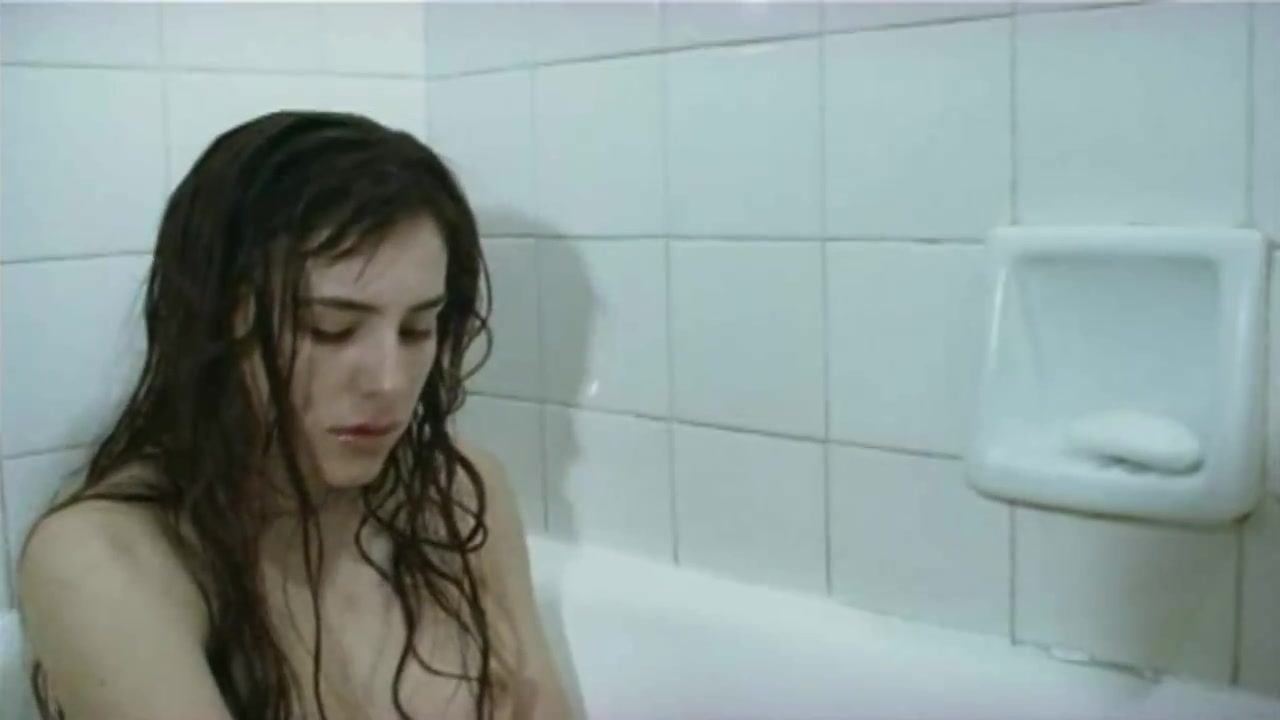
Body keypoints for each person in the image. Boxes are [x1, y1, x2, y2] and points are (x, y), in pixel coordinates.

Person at [15, 110, 571, 720]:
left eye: (418, 328)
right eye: (329, 328)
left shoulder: (460, 492)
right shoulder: (104, 558)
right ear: (216, 323)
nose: (390, 381)